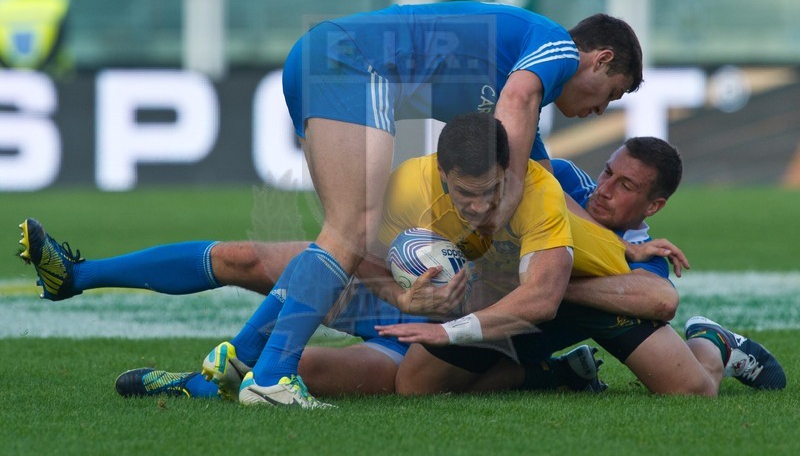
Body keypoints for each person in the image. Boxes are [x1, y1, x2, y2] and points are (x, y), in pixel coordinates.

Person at [20, 117, 782, 402]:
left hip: (483, 330)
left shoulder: (640, 256)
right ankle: (79, 276)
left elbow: (656, 301)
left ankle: (714, 343)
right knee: (257, 255)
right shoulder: (556, 181)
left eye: (625, 187)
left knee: (691, 391)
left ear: (654, 206)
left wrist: (546, 284)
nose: (606, 188)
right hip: (438, 296)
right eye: (609, 172)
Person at [238, 2, 643, 406]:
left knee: (341, 236)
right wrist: (507, 194)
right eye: (612, 93)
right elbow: (519, 97)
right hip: (354, 60)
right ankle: (273, 376)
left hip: (319, 55)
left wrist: (617, 244)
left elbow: (546, 186)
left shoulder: (520, 112)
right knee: (352, 231)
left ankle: (241, 359)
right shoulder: (560, 47)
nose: (601, 109)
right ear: (600, 60)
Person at [0, 0, 71, 76]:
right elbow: (61, 37)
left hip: (7, 72)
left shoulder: (5, 2)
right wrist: (41, 67)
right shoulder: (55, 1)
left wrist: (9, 68)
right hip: (50, 72)